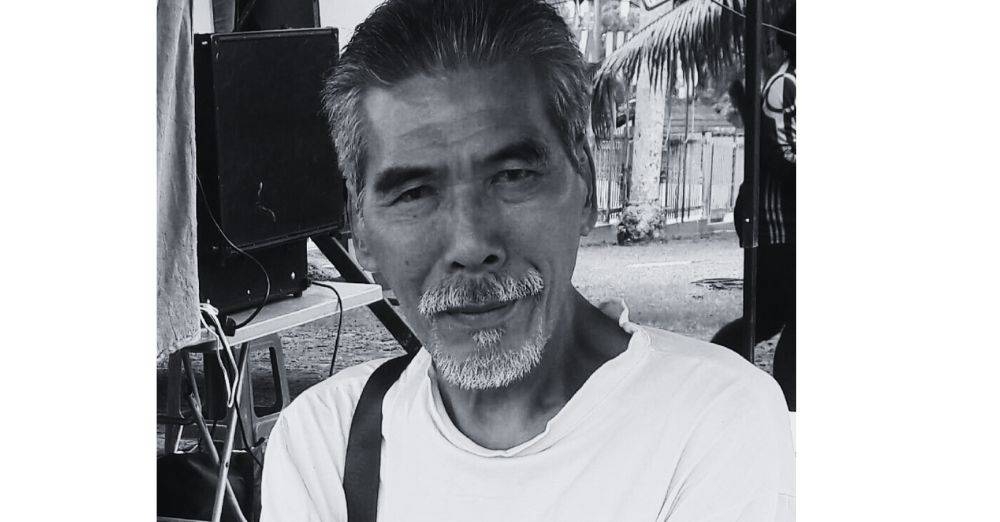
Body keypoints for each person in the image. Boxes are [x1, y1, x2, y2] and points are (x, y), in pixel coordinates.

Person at [261, 0, 794, 520]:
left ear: (586, 187)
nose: (471, 245)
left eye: (513, 176)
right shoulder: (325, 444)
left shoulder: (712, 421)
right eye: (414, 193)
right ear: (360, 230)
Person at [712, 6, 796, 412]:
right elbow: (783, 158)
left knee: (789, 318)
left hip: (791, 223)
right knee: (770, 318)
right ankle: (712, 371)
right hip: (779, 225)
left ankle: (788, 403)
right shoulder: (786, 86)